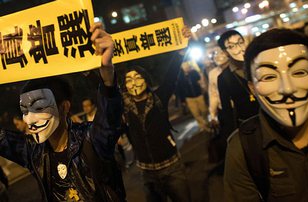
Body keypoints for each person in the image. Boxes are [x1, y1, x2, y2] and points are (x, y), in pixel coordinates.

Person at [224, 28, 308, 202]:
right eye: (268, 77)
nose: (287, 89)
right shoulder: (243, 149)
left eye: (299, 72)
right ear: (252, 88)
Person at [0, 23, 126, 201]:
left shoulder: (91, 139)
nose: (30, 119)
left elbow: (111, 116)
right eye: (24, 111)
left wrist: (107, 75)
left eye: (38, 108)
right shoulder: (33, 152)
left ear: (64, 107)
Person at [120, 28, 191, 202]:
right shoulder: (124, 104)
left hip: (172, 167)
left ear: (146, 80)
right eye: (129, 80)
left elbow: (171, 75)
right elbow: (106, 90)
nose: (134, 83)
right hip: (146, 172)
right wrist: (89, 69)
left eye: (138, 78)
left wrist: (181, 49)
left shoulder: (159, 97)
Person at [217, 30, 260, 138]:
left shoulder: (259, 63)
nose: (239, 48)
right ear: (225, 52)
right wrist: (232, 135)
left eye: (240, 42)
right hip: (250, 127)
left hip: (273, 117)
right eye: (232, 46)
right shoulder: (224, 78)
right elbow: (227, 111)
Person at [178, 61, 209, 132]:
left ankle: (206, 121)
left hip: (198, 94)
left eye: (187, 66)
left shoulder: (194, 72)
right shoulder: (180, 77)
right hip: (189, 98)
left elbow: (199, 80)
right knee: (196, 113)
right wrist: (182, 100)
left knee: (204, 110)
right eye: (185, 67)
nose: (187, 68)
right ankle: (202, 126)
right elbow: (179, 89)